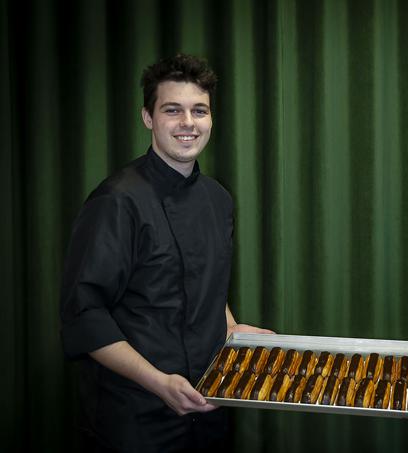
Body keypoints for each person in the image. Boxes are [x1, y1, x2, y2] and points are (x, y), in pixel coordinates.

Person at [60, 54, 272, 452]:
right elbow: (84, 314)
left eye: (199, 111)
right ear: (148, 117)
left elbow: (206, 280)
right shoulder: (116, 201)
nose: (188, 123)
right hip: (136, 419)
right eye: (172, 110)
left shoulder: (218, 199)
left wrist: (230, 328)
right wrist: (158, 382)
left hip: (210, 408)